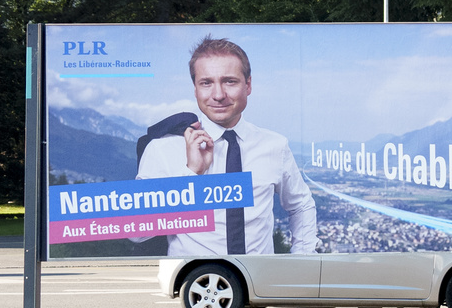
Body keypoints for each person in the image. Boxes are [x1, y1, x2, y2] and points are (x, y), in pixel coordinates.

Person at [136, 36, 319, 256]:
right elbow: (137, 232)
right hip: (194, 277)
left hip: (259, 276)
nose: (218, 95)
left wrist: (302, 258)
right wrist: (191, 174)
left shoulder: (275, 146)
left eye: (229, 81)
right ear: (195, 89)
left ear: (248, 85)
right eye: (206, 83)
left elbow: (301, 204)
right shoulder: (163, 148)